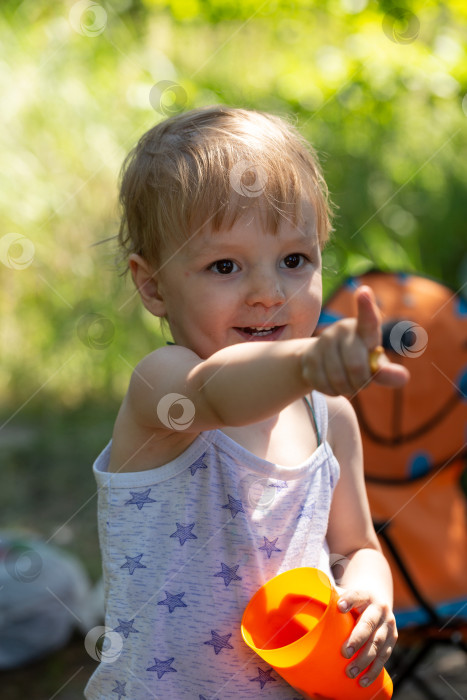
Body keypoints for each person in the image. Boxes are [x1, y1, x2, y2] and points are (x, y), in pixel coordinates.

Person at [84, 105, 407, 700]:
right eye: (225, 266)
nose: (268, 294)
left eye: (294, 260)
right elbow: (223, 393)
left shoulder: (328, 417)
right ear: (153, 285)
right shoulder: (167, 388)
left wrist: (371, 592)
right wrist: (309, 363)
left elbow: (358, 545)